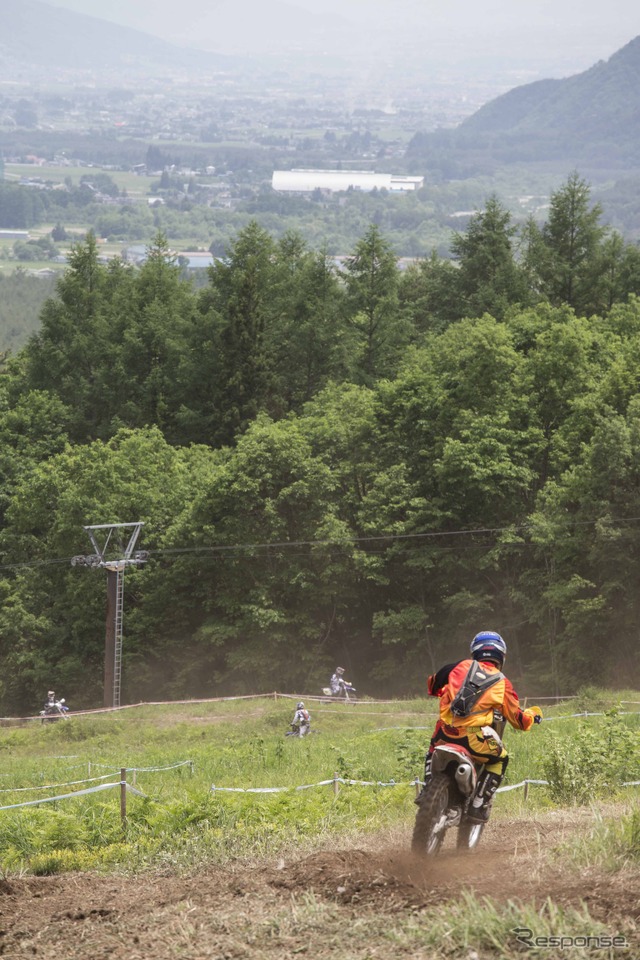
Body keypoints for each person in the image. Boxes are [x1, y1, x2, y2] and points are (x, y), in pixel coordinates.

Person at [423, 631, 542, 823]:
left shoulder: (457, 667)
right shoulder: (503, 683)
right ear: (501, 656)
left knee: (433, 745)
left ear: (474, 653)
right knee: (501, 758)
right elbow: (519, 720)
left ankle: (428, 786)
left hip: (444, 735)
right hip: (473, 741)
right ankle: (478, 804)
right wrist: (533, 715)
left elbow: (433, 686)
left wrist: (445, 691)